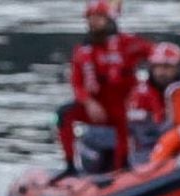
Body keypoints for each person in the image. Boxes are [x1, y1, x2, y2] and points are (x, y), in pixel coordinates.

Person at [57, 0, 155, 176]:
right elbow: (77, 83)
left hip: (124, 108)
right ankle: (70, 166)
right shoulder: (82, 52)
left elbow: (155, 55)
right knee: (63, 114)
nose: (93, 22)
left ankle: (123, 167)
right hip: (98, 108)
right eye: (91, 18)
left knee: (126, 120)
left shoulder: (128, 44)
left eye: (99, 18)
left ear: (109, 19)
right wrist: (88, 102)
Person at [123, 40, 180, 163]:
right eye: (158, 67)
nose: (162, 72)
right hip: (149, 151)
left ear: (178, 68)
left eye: (167, 67)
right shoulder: (140, 95)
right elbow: (144, 134)